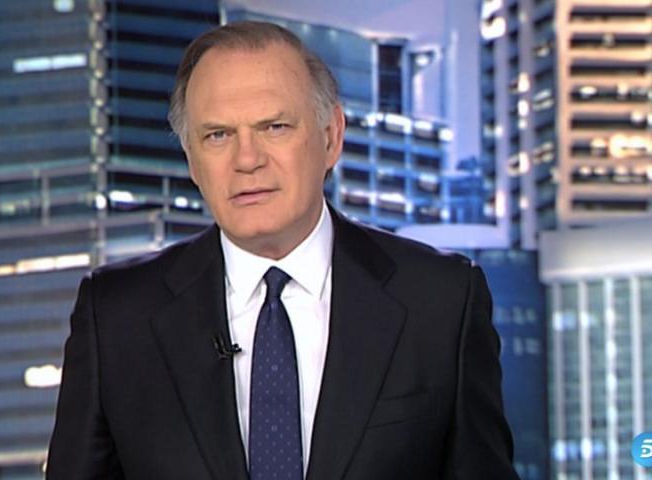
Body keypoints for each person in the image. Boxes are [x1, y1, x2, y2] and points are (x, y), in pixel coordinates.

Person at [47, 21, 519, 480]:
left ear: (331, 137)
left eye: (274, 127)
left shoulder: (440, 302)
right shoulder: (116, 317)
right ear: (191, 158)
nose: (247, 159)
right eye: (218, 135)